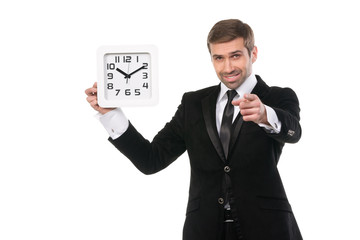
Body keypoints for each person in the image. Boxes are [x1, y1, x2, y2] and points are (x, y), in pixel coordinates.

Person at [85, 19, 302, 240]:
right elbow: (150, 160)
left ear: (253, 53)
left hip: (267, 229)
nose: (227, 67)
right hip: (204, 229)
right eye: (219, 58)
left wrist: (265, 114)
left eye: (235, 55)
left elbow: (294, 131)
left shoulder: (278, 97)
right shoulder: (193, 104)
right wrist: (110, 113)